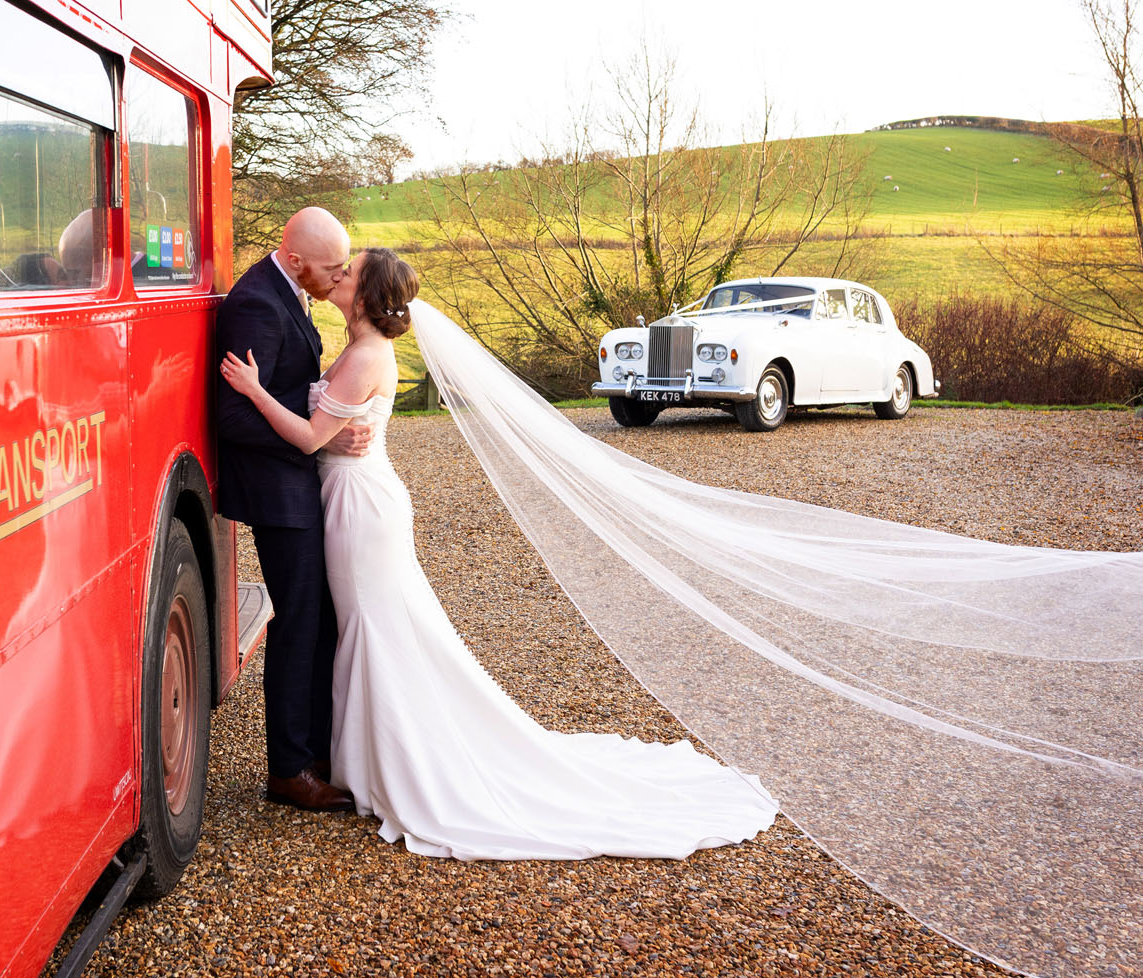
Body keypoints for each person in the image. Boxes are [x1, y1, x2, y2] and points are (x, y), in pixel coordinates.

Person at [220, 248, 779, 859]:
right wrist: (330, 417)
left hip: (360, 511)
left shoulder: (367, 354)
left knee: (373, 629)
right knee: (367, 627)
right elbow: (329, 417)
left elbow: (308, 436)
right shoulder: (358, 350)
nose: (340, 274)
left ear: (366, 295)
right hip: (351, 495)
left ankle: (395, 764)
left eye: (349, 272)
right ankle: (359, 758)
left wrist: (253, 390)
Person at [214, 207, 371, 813]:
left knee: (319, 618)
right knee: (299, 622)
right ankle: (288, 769)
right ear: (298, 260)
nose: (339, 279)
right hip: (277, 492)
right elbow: (232, 417)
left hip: (300, 482)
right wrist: (323, 436)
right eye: (331, 269)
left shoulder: (291, 290)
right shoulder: (256, 303)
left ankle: (315, 750)